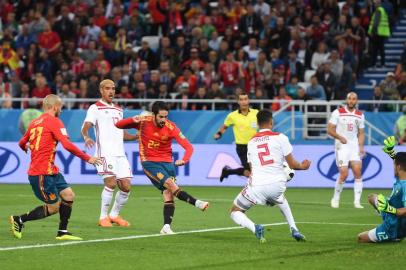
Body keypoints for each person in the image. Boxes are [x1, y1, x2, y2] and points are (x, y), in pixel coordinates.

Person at [9, 94, 101, 240]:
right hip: (41, 173)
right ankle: (19, 219)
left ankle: (62, 232)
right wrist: (87, 158)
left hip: (50, 170)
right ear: (55, 107)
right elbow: (67, 145)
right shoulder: (55, 121)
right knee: (54, 207)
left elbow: (21, 142)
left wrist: (25, 147)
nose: (62, 110)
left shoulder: (34, 123)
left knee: (69, 195)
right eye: (61, 107)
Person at [115, 101, 209, 234]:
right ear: (153, 115)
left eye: (166, 117)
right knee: (170, 184)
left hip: (168, 164)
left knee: (169, 194)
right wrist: (133, 118)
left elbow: (188, 146)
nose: (164, 120)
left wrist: (184, 159)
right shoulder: (143, 121)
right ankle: (197, 203)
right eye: (161, 117)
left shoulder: (171, 127)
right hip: (150, 162)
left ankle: (166, 227)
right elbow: (118, 125)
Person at [230, 110, 311, 243]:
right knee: (281, 198)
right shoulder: (281, 137)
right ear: (271, 122)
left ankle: (255, 228)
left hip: (257, 186)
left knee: (234, 211)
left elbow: (252, 169)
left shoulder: (251, 142)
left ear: (257, 123)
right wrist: (303, 166)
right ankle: (294, 228)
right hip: (277, 185)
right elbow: (292, 164)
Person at [81, 79, 137, 227]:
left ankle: (114, 215)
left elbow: (122, 133)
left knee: (126, 186)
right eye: (107, 88)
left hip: (120, 154)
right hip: (105, 153)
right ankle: (103, 217)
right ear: (101, 90)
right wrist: (86, 136)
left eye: (113, 88)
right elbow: (85, 126)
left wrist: (137, 136)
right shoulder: (95, 108)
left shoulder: (119, 110)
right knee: (111, 183)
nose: (111, 91)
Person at [358, 136, 406, 243]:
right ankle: (383, 211)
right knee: (372, 197)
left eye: (394, 165)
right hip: (391, 210)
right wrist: (391, 152)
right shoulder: (402, 175)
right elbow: (401, 163)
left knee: (360, 238)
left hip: (394, 224)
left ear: (398, 167)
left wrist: (389, 209)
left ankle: (394, 236)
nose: (393, 167)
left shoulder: (405, 185)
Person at [328, 92, 365, 209]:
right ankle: (335, 198)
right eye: (349, 99)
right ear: (346, 100)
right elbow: (329, 130)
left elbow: (362, 133)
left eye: (354, 99)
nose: (351, 101)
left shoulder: (360, 115)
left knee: (357, 171)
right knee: (344, 173)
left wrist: (361, 146)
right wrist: (339, 137)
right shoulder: (337, 112)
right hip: (341, 146)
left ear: (356, 101)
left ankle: (357, 202)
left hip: (354, 146)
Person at [214, 93, 258, 181]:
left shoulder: (256, 113)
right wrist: (219, 133)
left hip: (255, 146)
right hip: (242, 147)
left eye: (245, 99)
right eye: (241, 99)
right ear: (238, 102)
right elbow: (225, 126)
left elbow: (264, 123)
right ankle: (253, 192)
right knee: (252, 172)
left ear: (248, 100)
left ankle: (227, 172)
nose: (244, 101)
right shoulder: (232, 116)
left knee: (249, 172)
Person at [368, 0, 391, 68]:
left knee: (375, 49)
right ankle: (382, 63)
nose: (375, 5)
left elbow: (375, 23)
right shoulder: (383, 10)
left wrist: (372, 32)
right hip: (381, 32)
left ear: (379, 4)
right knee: (381, 49)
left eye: (375, 3)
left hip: (377, 33)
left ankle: (374, 64)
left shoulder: (378, 11)